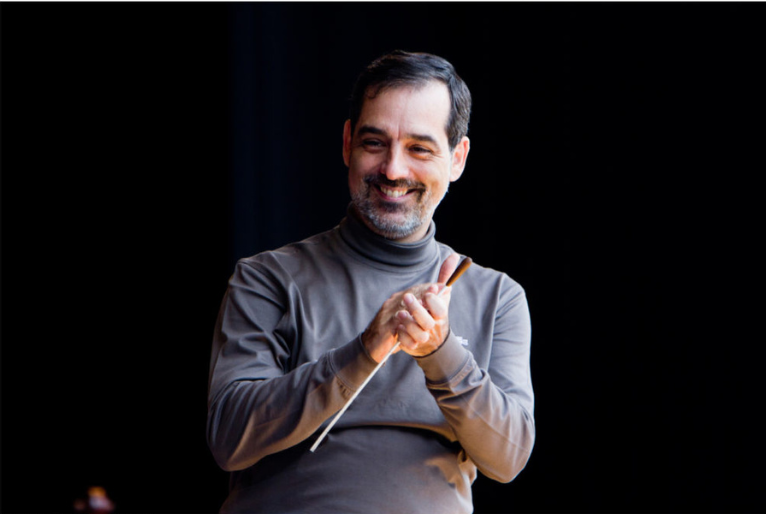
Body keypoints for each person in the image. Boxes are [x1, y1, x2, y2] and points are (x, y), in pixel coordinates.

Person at [207, 50, 535, 514]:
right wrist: (364, 350)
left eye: (419, 149)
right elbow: (228, 437)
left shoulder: (496, 296)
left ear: (457, 159)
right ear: (347, 144)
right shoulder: (267, 277)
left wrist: (441, 352)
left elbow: (509, 457)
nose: (394, 170)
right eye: (375, 142)